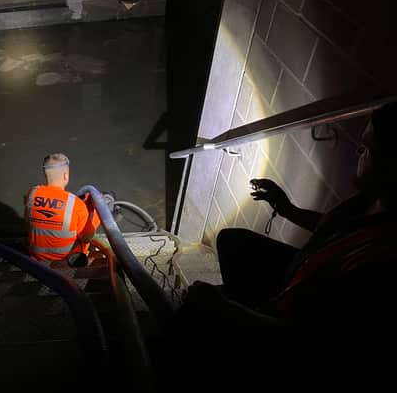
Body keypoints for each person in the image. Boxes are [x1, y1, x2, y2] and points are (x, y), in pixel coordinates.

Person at [170, 103, 397, 392]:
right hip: (301, 274)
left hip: (298, 329)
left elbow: (310, 346)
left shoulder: (381, 266)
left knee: (199, 303)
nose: (357, 153)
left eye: (367, 149)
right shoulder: (372, 200)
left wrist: (225, 310)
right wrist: (286, 208)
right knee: (232, 241)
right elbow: (331, 227)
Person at [24, 153, 101, 265]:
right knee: (93, 219)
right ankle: (77, 258)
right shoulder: (76, 203)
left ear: (46, 175)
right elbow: (86, 238)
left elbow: (27, 220)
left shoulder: (32, 193)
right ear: (66, 176)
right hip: (65, 256)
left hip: (37, 254)